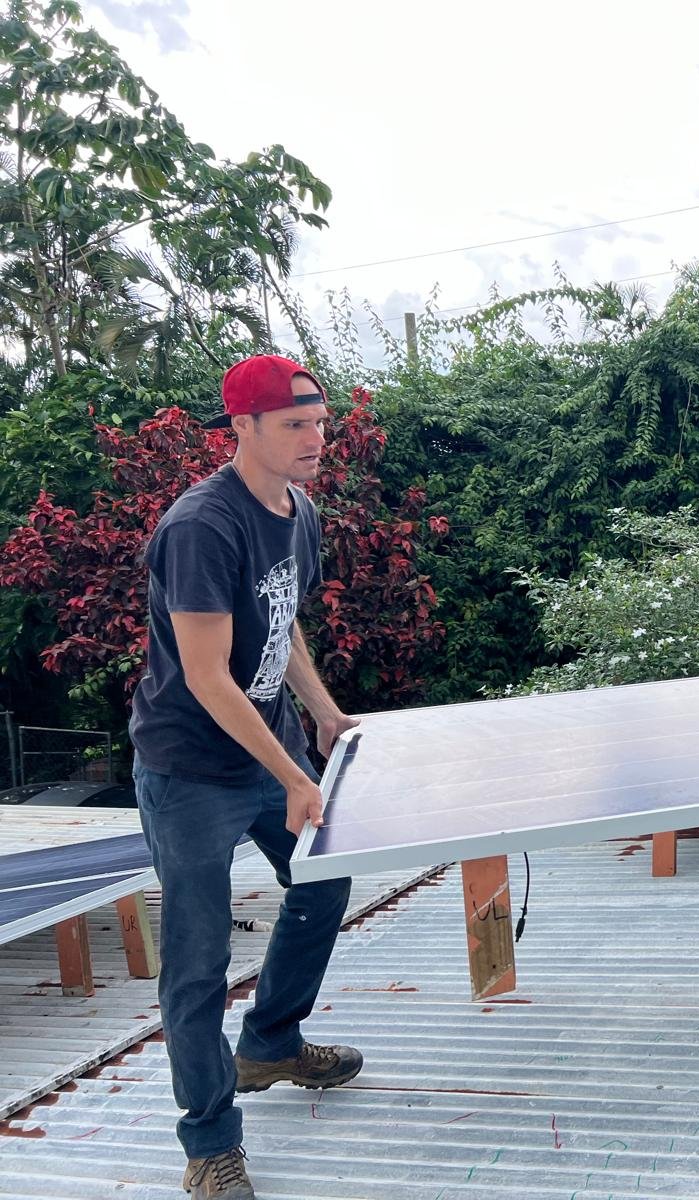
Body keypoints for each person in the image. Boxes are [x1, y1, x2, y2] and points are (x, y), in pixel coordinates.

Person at [130, 355, 363, 1199]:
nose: (315, 439)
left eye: (320, 423)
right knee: (196, 963)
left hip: (272, 746)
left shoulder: (297, 510)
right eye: (295, 424)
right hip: (191, 769)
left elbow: (280, 622)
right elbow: (207, 675)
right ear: (243, 428)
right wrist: (293, 779)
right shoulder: (202, 526)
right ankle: (210, 1145)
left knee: (325, 882)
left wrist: (324, 714)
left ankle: (268, 1042)